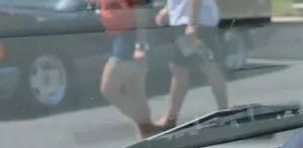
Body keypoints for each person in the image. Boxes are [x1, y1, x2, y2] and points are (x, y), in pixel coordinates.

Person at [154, 0, 229, 130]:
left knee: (206, 67)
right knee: (181, 70)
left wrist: (193, 23)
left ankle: (225, 112)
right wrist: (167, 10)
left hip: (196, 25)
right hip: (188, 24)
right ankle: (171, 119)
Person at [96, 0, 158, 138]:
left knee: (108, 88)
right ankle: (147, 132)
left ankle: (146, 126)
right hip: (116, 35)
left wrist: (141, 45)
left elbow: (141, 8)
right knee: (135, 90)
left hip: (129, 37)